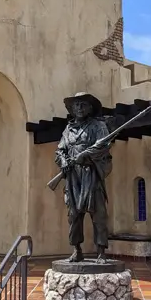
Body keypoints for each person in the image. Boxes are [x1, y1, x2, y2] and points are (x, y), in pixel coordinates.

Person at [55, 92, 113, 262]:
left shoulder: (98, 126)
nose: (79, 108)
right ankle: (76, 249)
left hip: (91, 174)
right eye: (76, 105)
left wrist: (85, 156)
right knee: (73, 214)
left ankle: (101, 251)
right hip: (73, 176)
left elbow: (103, 146)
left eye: (83, 105)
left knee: (98, 214)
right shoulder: (68, 129)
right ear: (72, 109)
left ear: (90, 108)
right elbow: (60, 150)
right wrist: (64, 161)